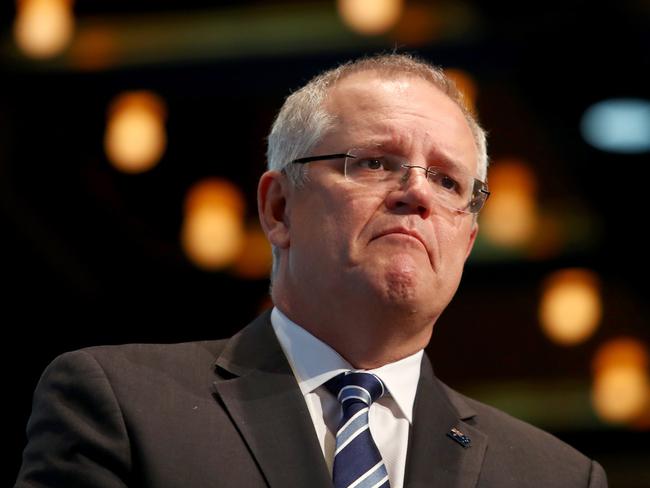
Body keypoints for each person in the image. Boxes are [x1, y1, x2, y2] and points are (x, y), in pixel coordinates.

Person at [15, 53, 607, 487]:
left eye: (448, 180)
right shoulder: (122, 405)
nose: (417, 194)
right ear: (279, 208)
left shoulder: (555, 475)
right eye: (376, 162)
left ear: (468, 238)